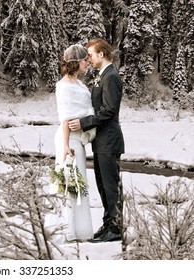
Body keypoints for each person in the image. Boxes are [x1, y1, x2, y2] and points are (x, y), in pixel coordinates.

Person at [68, 38, 125, 243]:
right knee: (103, 185)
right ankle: (109, 223)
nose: (88, 59)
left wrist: (84, 123)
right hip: (101, 141)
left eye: (90, 54)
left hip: (109, 141)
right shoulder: (103, 76)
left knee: (111, 186)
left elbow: (109, 110)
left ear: (101, 54)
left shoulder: (111, 77)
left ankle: (116, 228)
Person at [51, 44, 96, 242]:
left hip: (79, 139)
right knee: (70, 184)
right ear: (75, 62)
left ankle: (81, 231)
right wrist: (66, 146)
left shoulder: (79, 84)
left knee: (80, 184)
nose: (88, 62)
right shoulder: (63, 86)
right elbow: (65, 117)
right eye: (85, 60)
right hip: (68, 139)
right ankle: (66, 232)